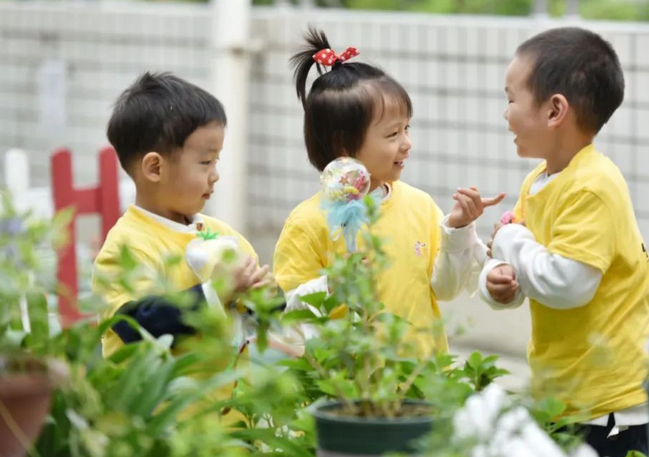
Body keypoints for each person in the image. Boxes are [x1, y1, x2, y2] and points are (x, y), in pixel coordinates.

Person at [274, 28, 504, 357]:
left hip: (421, 386)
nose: (407, 143)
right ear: (344, 144)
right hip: (348, 396)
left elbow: (446, 288)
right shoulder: (307, 222)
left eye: (407, 128)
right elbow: (285, 315)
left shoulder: (420, 206)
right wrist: (333, 287)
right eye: (393, 133)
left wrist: (457, 229)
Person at [480, 27, 649, 457]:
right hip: (563, 390)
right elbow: (529, 265)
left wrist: (510, 242)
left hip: (607, 400)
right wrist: (500, 282)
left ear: (555, 110)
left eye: (511, 98)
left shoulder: (593, 185)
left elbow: (569, 284)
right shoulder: (539, 182)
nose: (505, 113)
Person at [93, 72, 269, 358]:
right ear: (155, 168)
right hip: (164, 404)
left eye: (217, 161)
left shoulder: (224, 235)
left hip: (234, 402)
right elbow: (136, 325)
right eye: (205, 162)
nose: (215, 175)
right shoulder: (128, 246)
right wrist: (215, 291)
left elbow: (263, 314)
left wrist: (263, 296)